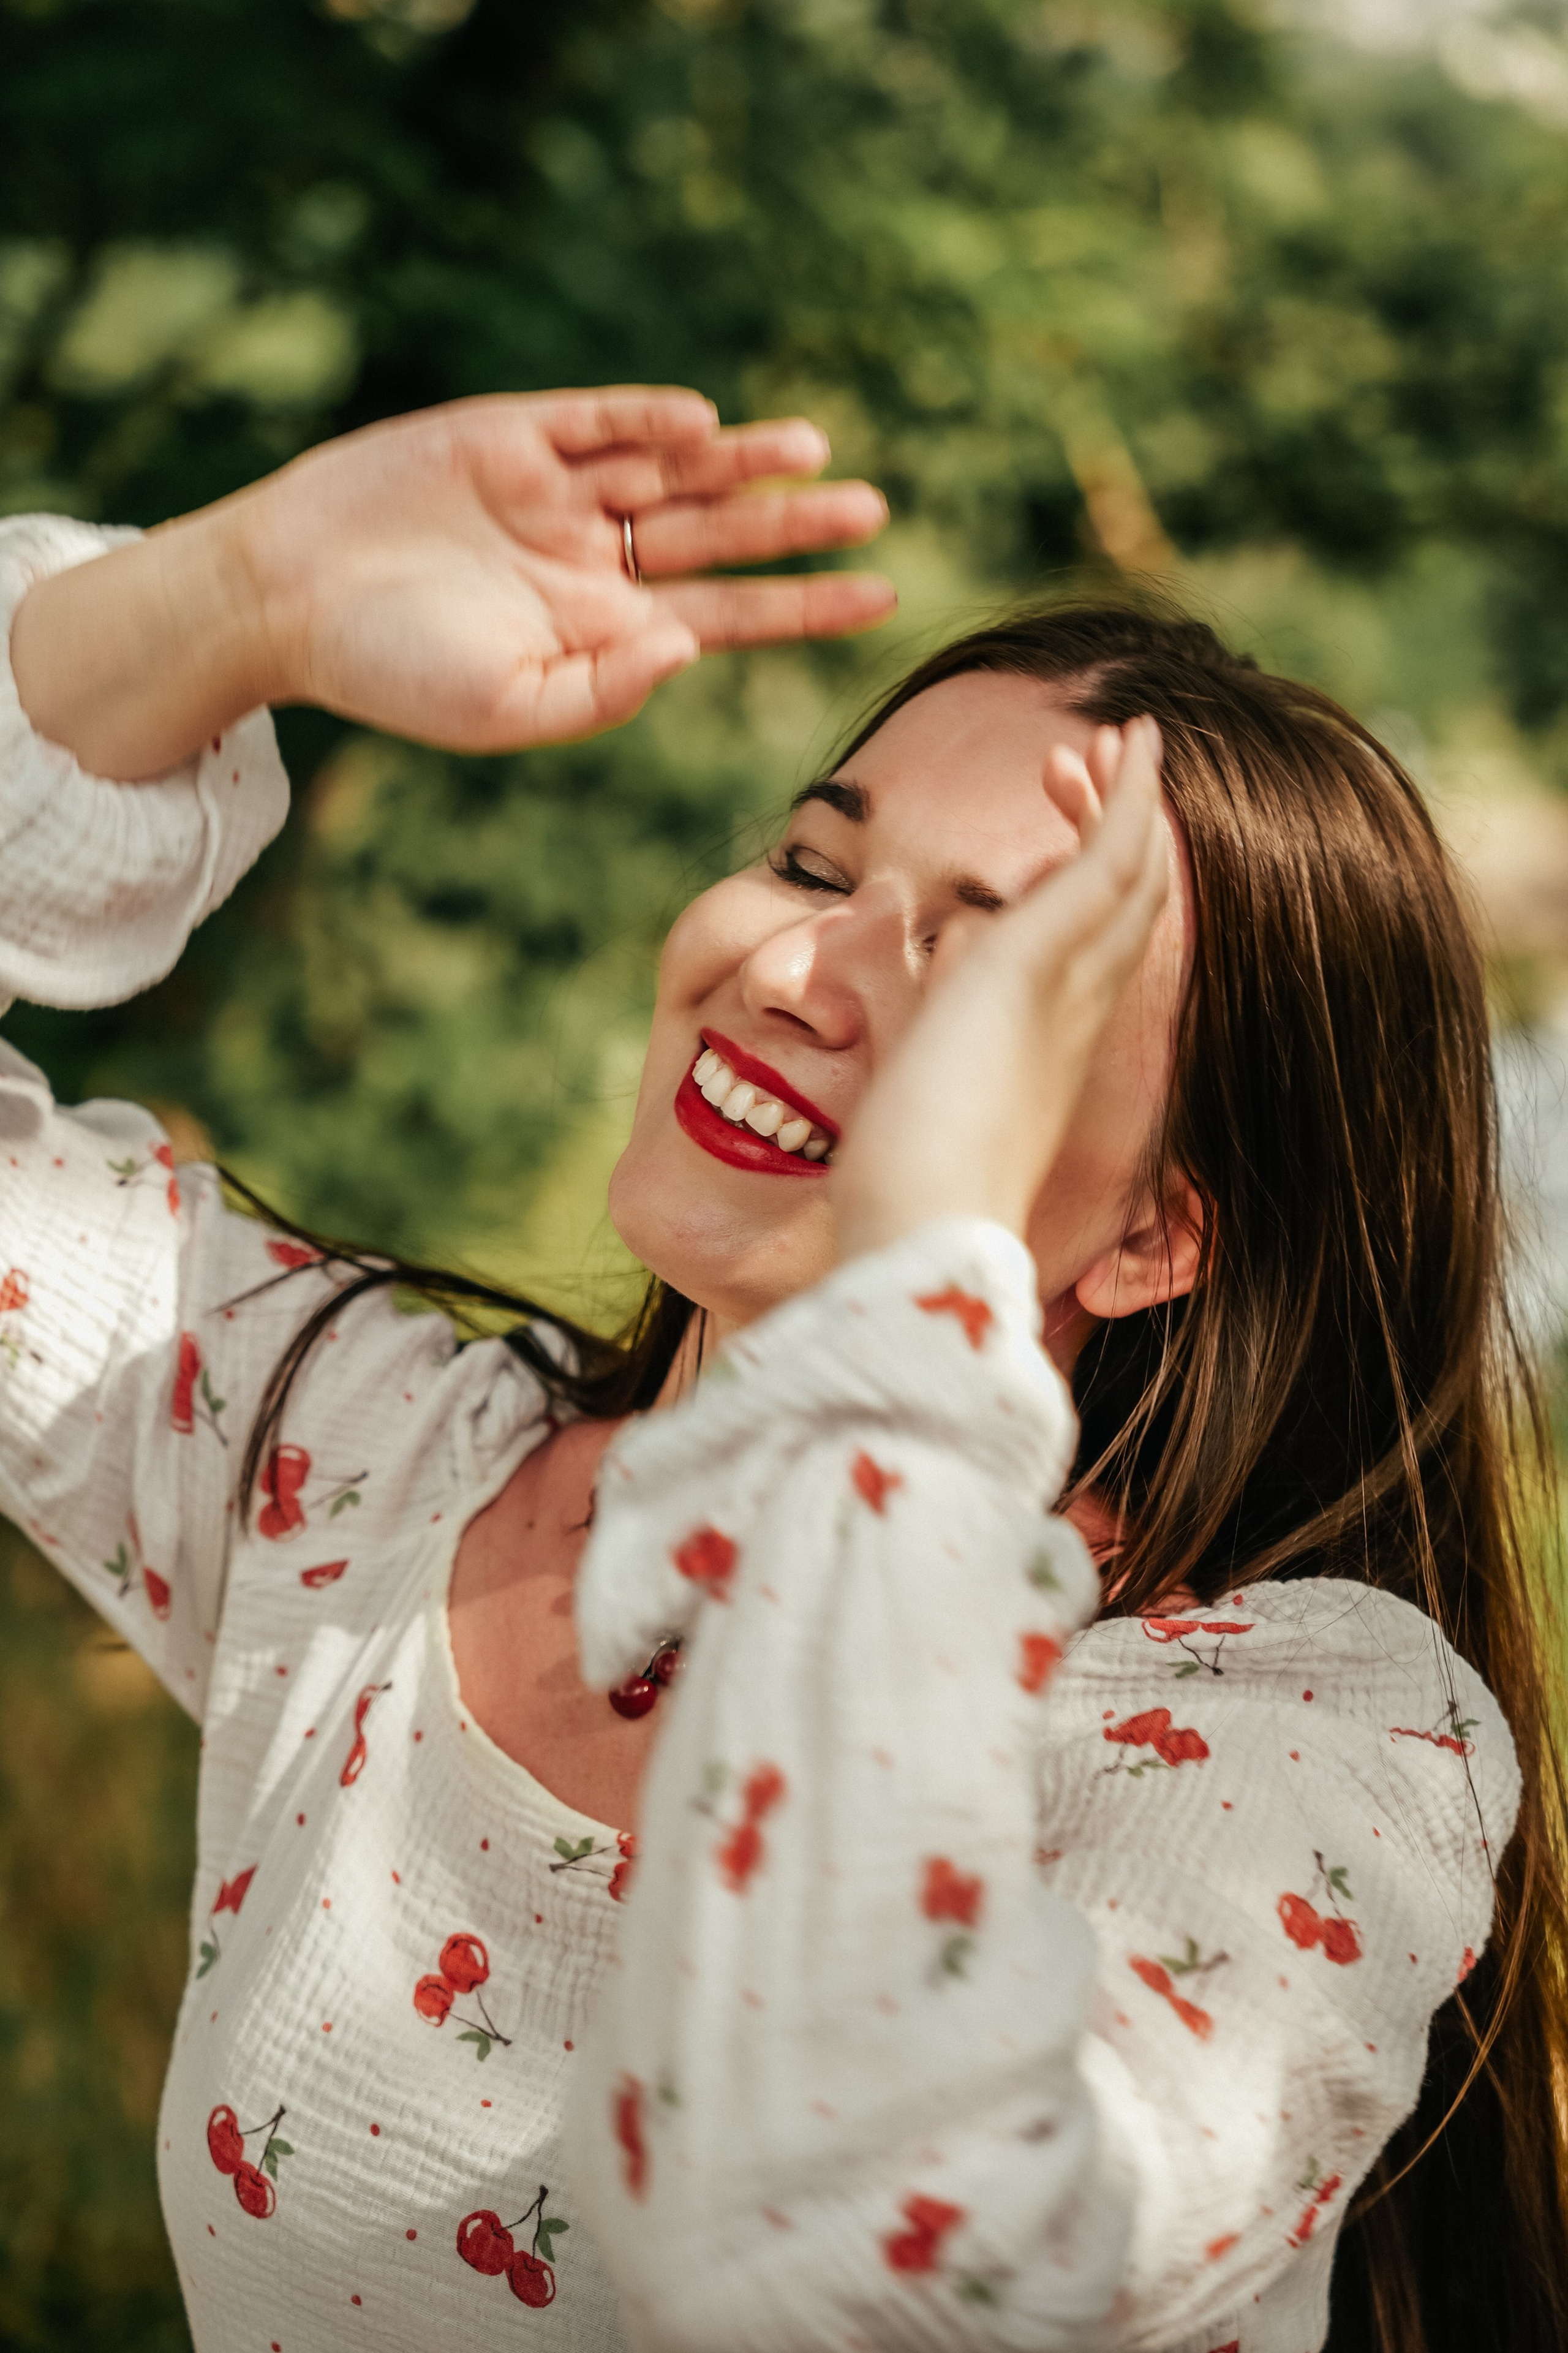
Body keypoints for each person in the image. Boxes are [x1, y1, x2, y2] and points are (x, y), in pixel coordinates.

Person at [0, 388, 1562, 2353]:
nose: (794, 968)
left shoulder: (1292, 1759)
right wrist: (231, 597)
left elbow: (864, 2249)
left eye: (979, 974)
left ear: (1162, 1228)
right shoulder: (369, 1463)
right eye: (820, 869)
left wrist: (908, 1318)